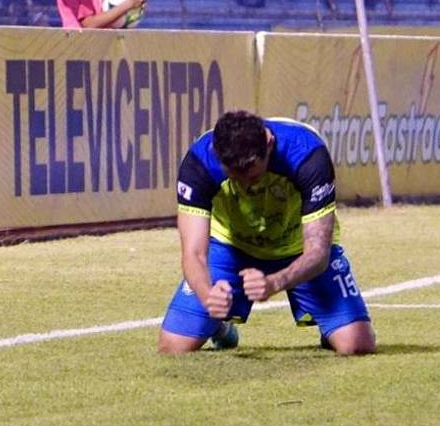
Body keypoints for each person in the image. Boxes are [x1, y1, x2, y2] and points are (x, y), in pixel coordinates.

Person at [157, 110, 376, 356]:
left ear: (268, 144)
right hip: (231, 247)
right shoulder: (199, 162)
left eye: (251, 176)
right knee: (172, 347)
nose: (244, 186)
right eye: (234, 178)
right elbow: (194, 253)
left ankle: (334, 328)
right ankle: (219, 326)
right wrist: (208, 296)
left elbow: (318, 252)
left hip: (297, 248)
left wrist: (275, 282)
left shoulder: (308, 155)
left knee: (357, 344)